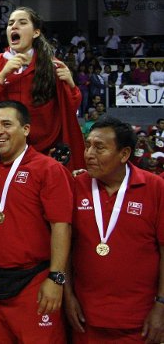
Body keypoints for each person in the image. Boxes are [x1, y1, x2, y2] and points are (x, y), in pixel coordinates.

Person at [0, 100, 73, 343]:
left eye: (7, 124)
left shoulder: (48, 169)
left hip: (35, 282)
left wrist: (56, 278)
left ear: (26, 129)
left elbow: (61, 225)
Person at [65, 117, 164, 343]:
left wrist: (161, 305)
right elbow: (67, 247)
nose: (89, 153)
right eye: (87, 145)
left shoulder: (155, 188)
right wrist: (67, 294)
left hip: (140, 321)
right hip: (85, 319)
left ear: (124, 154)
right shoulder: (75, 185)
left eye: (99, 147)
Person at [0, 7, 85, 169]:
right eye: (10, 23)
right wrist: (1, 76)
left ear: (36, 32)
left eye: (22, 23)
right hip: (2, 154)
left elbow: (68, 112)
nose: (14, 26)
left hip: (44, 154)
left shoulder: (52, 66)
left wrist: (71, 85)